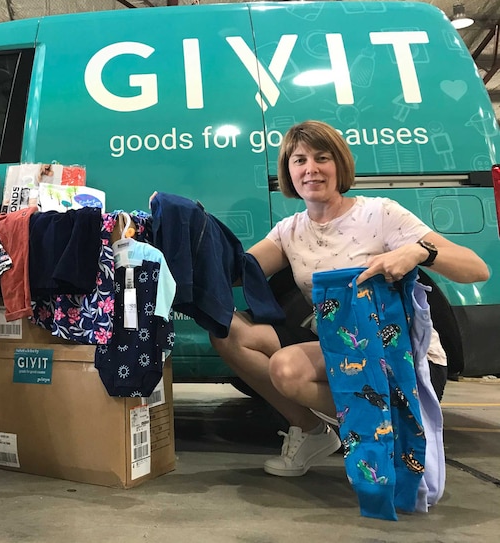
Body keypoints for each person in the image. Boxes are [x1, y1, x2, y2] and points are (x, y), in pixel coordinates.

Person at [210, 120, 489, 478]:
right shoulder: (290, 231)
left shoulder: (380, 213)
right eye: (299, 161)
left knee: (287, 368)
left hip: (400, 359)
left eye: (321, 158)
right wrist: (180, 240)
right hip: (344, 347)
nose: (310, 169)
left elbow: (476, 269)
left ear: (339, 164)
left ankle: (398, 420)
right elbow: (236, 273)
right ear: (288, 172)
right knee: (227, 330)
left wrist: (419, 252)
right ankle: (312, 433)